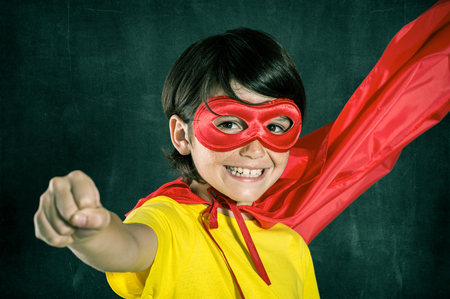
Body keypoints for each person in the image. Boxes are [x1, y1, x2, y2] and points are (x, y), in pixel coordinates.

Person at [34, 0, 450, 298]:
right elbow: (126, 245)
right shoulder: (166, 220)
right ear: (182, 136)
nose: (255, 148)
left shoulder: (287, 240)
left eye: (276, 125)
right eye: (230, 123)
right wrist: (86, 231)